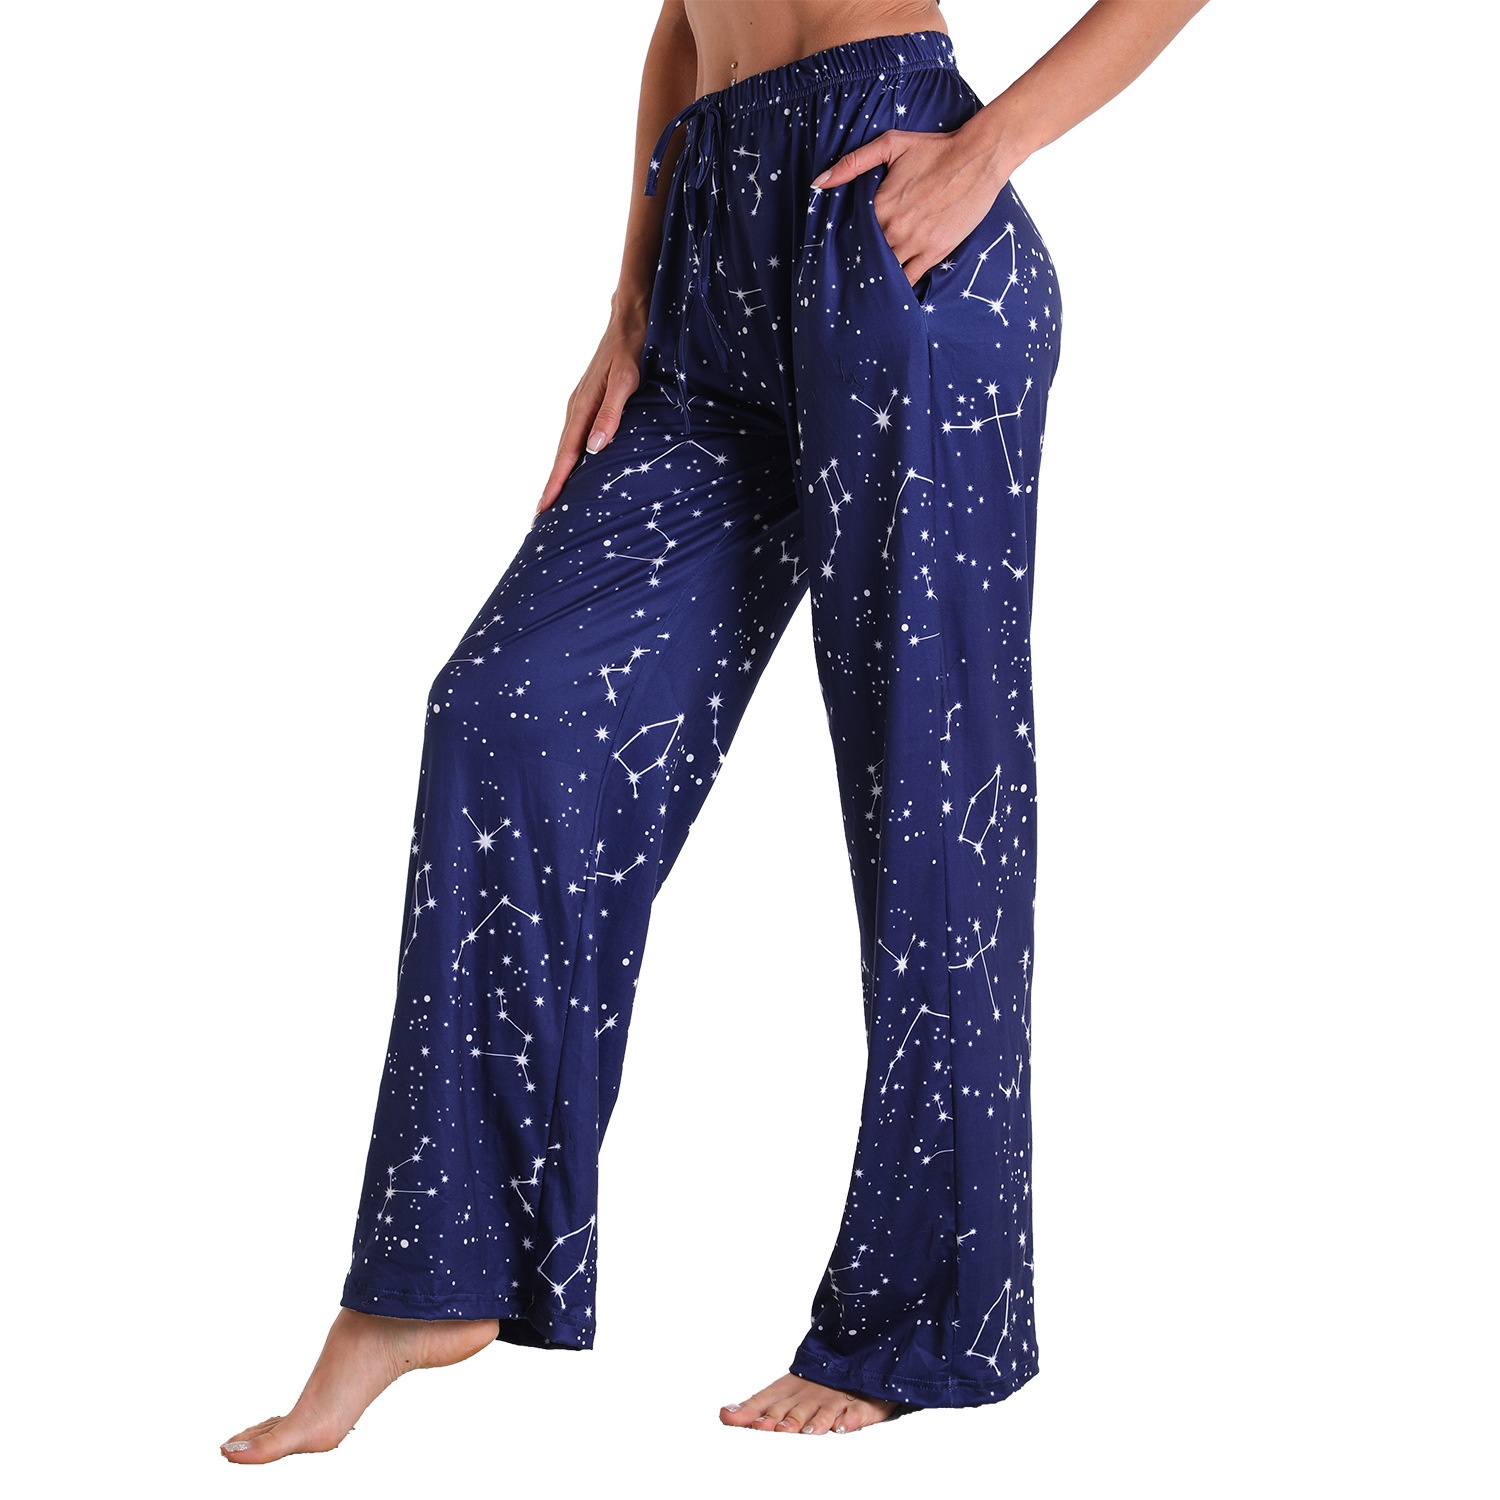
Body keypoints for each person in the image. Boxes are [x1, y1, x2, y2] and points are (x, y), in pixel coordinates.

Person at [221, 0, 1210, 1461]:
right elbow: (682, 27)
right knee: (504, 710)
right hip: (710, 244)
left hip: (896, 227)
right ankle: (437, 1274)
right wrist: (631, 298)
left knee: (929, 794)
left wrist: (991, 147)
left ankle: (931, 1316)